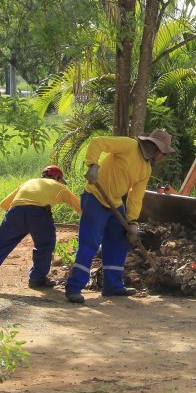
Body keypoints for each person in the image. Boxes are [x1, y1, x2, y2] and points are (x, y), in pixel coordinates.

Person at [65, 129, 176, 304]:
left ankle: (112, 286)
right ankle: (74, 288)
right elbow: (97, 142)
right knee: (90, 244)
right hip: (95, 197)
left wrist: (131, 222)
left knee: (119, 242)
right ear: (156, 148)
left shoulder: (145, 169)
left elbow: (135, 197)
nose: (163, 156)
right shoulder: (128, 145)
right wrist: (93, 165)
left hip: (116, 204)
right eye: (164, 152)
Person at [0, 165, 81, 294]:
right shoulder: (59, 187)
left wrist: (20, 217)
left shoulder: (28, 182)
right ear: (57, 178)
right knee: (45, 245)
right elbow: (81, 209)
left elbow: (4, 204)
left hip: (15, 212)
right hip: (39, 214)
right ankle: (37, 279)